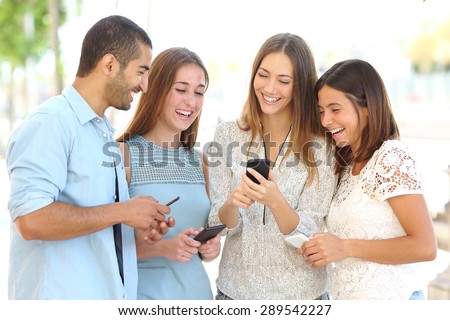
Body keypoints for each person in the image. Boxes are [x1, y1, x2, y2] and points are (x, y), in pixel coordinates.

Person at [6, 15, 173, 300]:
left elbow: (93, 222)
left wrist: (134, 229)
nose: (144, 85)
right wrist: (123, 211)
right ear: (109, 65)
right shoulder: (51, 122)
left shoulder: (100, 132)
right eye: (141, 72)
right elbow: (30, 219)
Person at [207, 33, 336, 300]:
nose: (270, 88)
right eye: (263, 75)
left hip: (302, 297)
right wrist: (232, 203)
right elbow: (218, 224)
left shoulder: (322, 145)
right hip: (235, 294)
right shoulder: (228, 134)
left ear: (300, 86)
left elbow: (311, 233)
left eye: (284, 81)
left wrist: (276, 201)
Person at [302, 59, 437, 299]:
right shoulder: (347, 164)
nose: (325, 121)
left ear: (367, 107)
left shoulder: (390, 157)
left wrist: (344, 247)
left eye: (335, 109)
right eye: (321, 111)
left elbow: (425, 247)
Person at [116, 47, 221, 300]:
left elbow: (201, 246)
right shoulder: (122, 155)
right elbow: (102, 247)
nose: (191, 101)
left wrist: (210, 249)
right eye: (181, 89)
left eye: (199, 92)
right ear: (157, 88)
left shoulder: (200, 161)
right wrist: (163, 248)